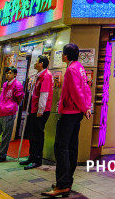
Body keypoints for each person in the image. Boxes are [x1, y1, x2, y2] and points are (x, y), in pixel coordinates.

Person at [42, 44, 92, 198]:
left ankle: (63, 184)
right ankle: (67, 181)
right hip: (77, 113)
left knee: (61, 147)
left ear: (65, 55)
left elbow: (75, 92)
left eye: (63, 54)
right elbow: (86, 89)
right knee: (71, 147)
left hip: (70, 112)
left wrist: (84, 107)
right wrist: (86, 107)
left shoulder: (71, 70)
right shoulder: (80, 68)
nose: (62, 56)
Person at [20, 55, 53, 170]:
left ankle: (37, 159)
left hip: (40, 111)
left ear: (42, 64)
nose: (34, 64)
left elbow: (44, 94)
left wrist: (40, 110)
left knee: (38, 135)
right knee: (32, 134)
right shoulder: (38, 76)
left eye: (37, 62)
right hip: (34, 109)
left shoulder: (46, 76)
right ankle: (31, 156)